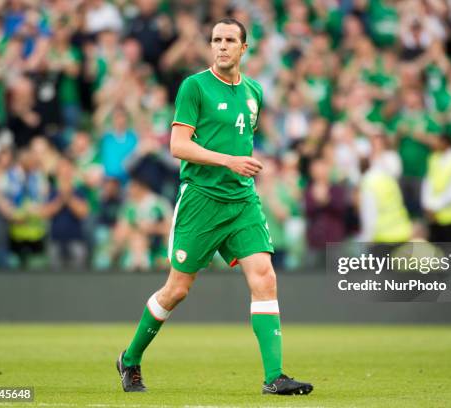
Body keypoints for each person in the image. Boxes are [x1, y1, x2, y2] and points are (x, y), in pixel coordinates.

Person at [116, 18, 313, 396]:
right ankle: (130, 358)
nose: (221, 46)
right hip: (201, 199)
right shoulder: (194, 87)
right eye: (216, 40)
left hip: (241, 200)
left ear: (244, 48)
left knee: (265, 277)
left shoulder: (254, 91)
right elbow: (178, 145)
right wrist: (227, 161)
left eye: (229, 40)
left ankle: (274, 376)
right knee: (176, 290)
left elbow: (243, 141)